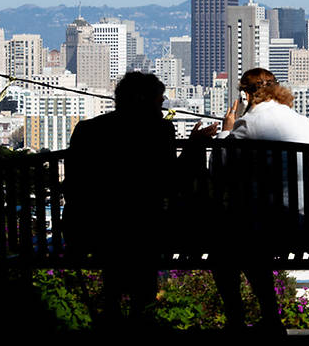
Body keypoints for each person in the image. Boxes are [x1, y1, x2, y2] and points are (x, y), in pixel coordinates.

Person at [63, 71, 216, 326]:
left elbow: (74, 186)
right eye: (159, 100)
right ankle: (141, 315)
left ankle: (113, 311)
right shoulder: (159, 130)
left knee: (122, 232)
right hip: (144, 232)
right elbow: (170, 182)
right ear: (145, 100)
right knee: (140, 229)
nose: (163, 105)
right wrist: (194, 147)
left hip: (88, 232)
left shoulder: (88, 129)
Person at [213, 68, 309, 333]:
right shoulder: (303, 122)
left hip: (273, 229)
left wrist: (226, 132)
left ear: (246, 94)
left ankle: (237, 322)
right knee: (249, 244)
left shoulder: (249, 123)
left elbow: (220, 168)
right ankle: (270, 320)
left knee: (224, 250)